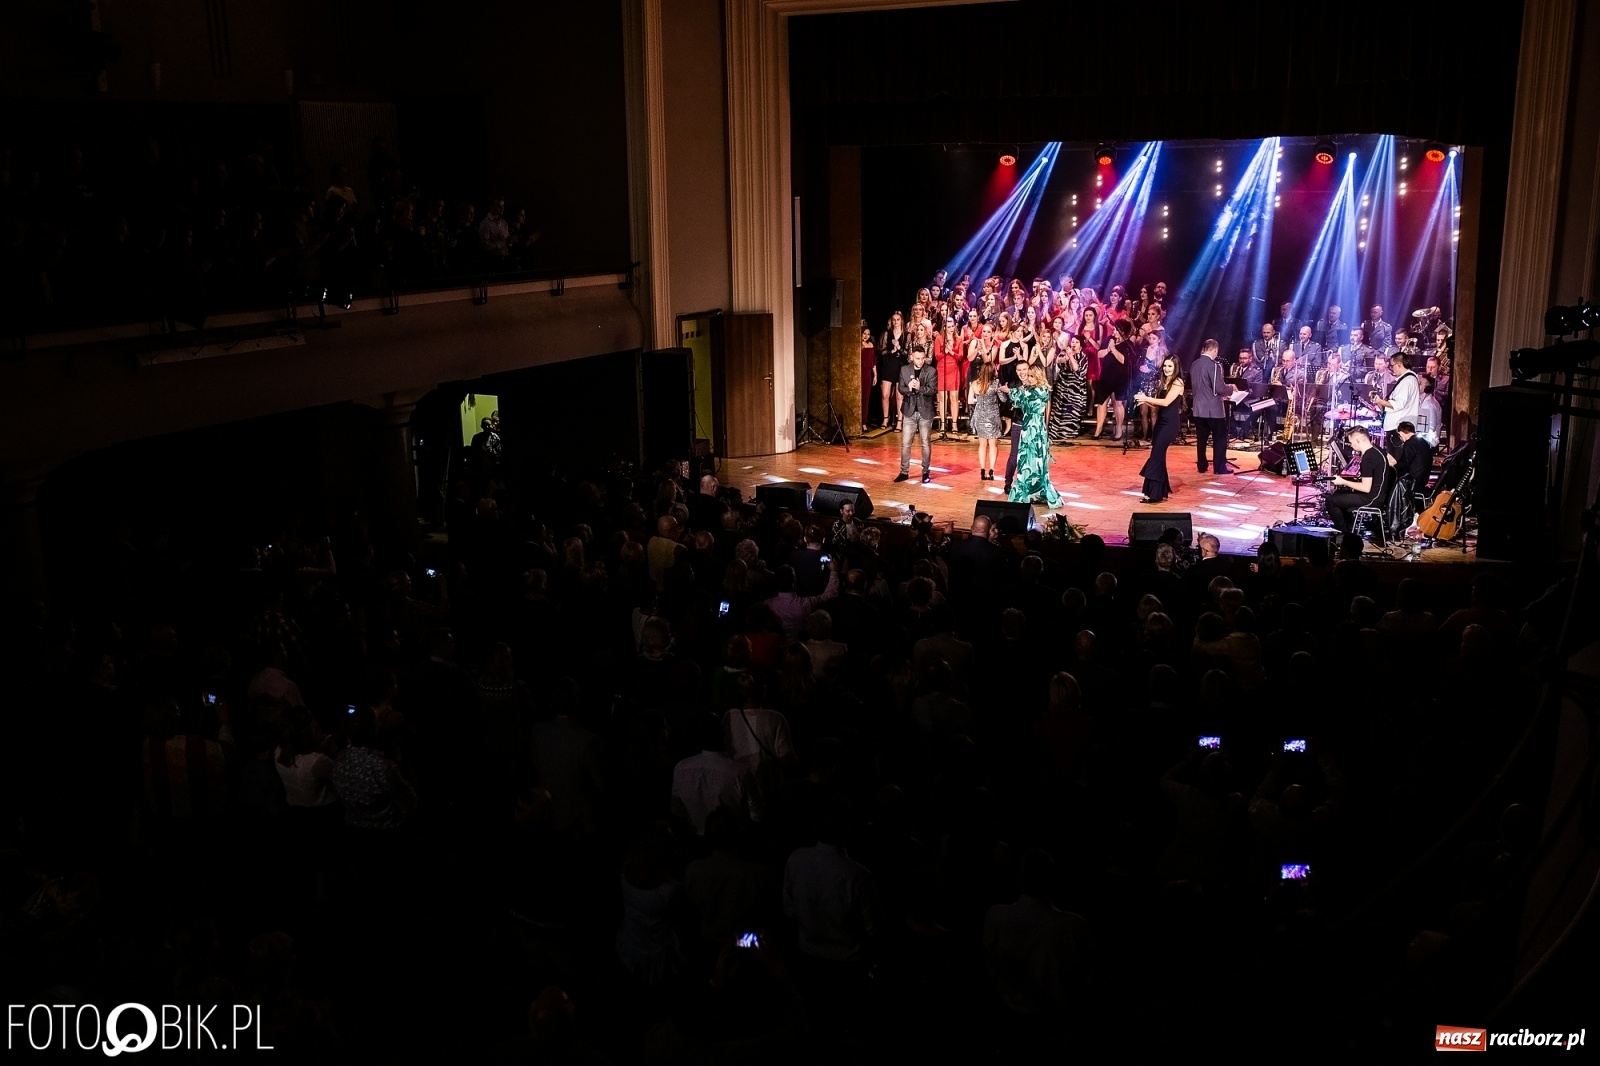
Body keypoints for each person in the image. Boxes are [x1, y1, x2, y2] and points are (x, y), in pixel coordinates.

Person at [1002, 362, 1062, 509]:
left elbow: (1020, 397)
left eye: (1031, 376)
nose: (1028, 378)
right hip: (1035, 427)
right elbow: (1020, 401)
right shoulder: (1040, 390)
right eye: (1028, 375)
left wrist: (1008, 390)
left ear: (1038, 376)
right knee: (1031, 459)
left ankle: (1027, 491)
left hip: (1032, 428)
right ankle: (1032, 490)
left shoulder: (1036, 391)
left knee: (1031, 459)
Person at [1134, 355, 1185, 504]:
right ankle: (1160, 491)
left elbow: (1166, 402)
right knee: (1158, 457)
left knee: (1156, 456)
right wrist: (1144, 400)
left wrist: (1146, 398)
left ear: (1175, 368)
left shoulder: (1178, 382)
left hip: (1170, 424)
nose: (1166, 369)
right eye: (1165, 366)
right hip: (1161, 423)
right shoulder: (1164, 382)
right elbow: (1158, 405)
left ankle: (1153, 494)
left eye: (1170, 366)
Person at [1324, 425, 1387, 533]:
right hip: (1379, 495)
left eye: (1352, 443)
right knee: (1339, 493)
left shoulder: (1368, 458)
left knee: (1330, 501)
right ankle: (1349, 526)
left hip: (1372, 499)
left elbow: (1366, 488)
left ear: (1358, 441)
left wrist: (1343, 481)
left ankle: (1344, 532)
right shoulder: (1377, 450)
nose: (1352, 446)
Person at [895, 342, 938, 484]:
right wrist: (909, 388)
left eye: (922, 358)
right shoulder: (904, 370)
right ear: (912, 357)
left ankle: (925, 472)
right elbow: (901, 389)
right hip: (909, 410)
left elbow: (932, 390)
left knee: (925, 443)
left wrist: (920, 388)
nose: (920, 361)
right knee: (906, 443)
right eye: (917, 358)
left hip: (925, 411)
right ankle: (904, 471)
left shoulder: (931, 371)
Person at [1190, 338, 1230, 475]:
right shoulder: (1214, 365)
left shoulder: (1194, 364)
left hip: (1198, 408)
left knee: (1201, 438)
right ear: (1214, 350)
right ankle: (1219, 468)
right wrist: (1231, 388)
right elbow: (1218, 388)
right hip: (1213, 410)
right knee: (1220, 437)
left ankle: (1202, 465)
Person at [1368, 351, 1420, 452]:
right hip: (1397, 427)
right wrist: (1379, 402)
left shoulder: (1407, 381)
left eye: (1392, 366)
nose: (1391, 369)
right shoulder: (1406, 380)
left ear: (1399, 365)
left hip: (1398, 428)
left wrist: (1381, 401)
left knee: (1395, 460)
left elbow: (1398, 404)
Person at [1091, 309, 1129, 441]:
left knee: (1118, 404)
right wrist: (1108, 349)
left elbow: (1123, 360)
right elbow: (1099, 354)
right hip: (1106, 376)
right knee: (1101, 403)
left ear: (1122, 331)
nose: (1114, 331)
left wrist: (1114, 349)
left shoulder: (1127, 344)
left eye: (1116, 329)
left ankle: (1118, 429)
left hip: (1119, 378)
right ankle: (1098, 429)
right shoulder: (1108, 340)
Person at [968, 347, 1005, 482]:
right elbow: (1003, 399)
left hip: (979, 415)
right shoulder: (995, 383)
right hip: (993, 416)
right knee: (993, 445)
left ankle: (982, 470)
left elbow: (969, 401)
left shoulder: (974, 384)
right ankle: (991, 470)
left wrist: (980, 400)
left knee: (982, 444)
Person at [1047, 332, 1088, 441]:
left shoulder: (1083, 357)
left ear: (1081, 345)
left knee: (1071, 410)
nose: (1074, 344)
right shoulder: (1064, 352)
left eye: (1076, 342)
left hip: (1075, 388)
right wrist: (1066, 357)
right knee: (1059, 409)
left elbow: (1076, 369)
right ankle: (1056, 432)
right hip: (1063, 386)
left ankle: (1069, 432)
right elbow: (1058, 361)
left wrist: (1071, 356)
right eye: (1073, 341)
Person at [934, 317, 966, 437]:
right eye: (948, 326)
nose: (951, 328)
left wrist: (951, 351)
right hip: (942, 368)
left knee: (954, 397)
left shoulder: (959, 339)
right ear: (944, 327)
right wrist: (945, 352)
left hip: (953, 369)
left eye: (952, 326)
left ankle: (954, 424)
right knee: (942, 398)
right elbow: (937, 356)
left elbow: (961, 356)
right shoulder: (939, 339)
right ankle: (942, 424)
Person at [878, 312, 908, 429]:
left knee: (899, 396)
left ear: (901, 321)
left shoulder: (906, 335)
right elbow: (881, 350)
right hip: (889, 365)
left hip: (901, 366)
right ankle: (886, 419)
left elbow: (907, 353)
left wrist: (899, 348)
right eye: (894, 320)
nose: (896, 322)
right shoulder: (886, 334)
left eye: (898, 319)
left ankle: (900, 421)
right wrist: (892, 351)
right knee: (885, 394)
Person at [859, 326, 877, 432]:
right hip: (858, 373)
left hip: (867, 373)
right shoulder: (857, 345)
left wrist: (875, 375)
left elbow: (873, 361)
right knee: (858, 397)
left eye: (868, 334)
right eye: (864, 333)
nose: (866, 336)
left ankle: (863, 422)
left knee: (866, 398)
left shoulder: (870, 345)